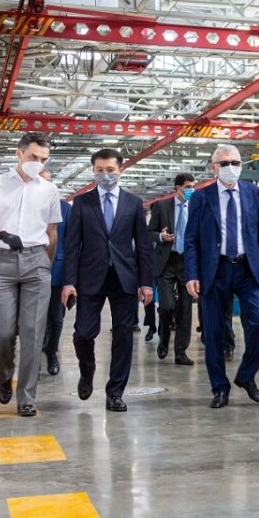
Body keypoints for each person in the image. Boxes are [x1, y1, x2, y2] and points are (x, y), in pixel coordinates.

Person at [0, 133, 61, 418]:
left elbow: (52, 232)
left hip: (36, 263)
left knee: (33, 334)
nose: (38, 163)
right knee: (3, 332)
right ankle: (5, 374)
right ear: (19, 154)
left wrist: (44, 264)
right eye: (33, 157)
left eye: (43, 159)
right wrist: (0, 234)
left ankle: (27, 397)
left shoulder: (50, 190)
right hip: (2, 263)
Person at [61, 149, 154, 412]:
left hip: (125, 278)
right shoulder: (82, 203)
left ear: (120, 170)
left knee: (123, 335)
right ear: (93, 171)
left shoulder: (133, 203)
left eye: (110, 170)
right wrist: (69, 282)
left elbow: (143, 245)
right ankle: (87, 370)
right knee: (83, 333)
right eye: (100, 170)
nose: (105, 175)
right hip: (90, 276)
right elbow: (72, 245)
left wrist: (146, 282)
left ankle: (115, 392)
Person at [184, 144, 259, 409]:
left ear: (242, 166)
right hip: (216, 270)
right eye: (224, 163)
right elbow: (191, 239)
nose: (231, 168)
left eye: (235, 163)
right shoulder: (201, 197)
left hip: (247, 269)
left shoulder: (252, 192)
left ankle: (246, 376)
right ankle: (219, 388)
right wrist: (192, 274)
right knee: (214, 332)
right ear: (214, 167)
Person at [149, 173, 196, 365]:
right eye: (187, 187)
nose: (191, 190)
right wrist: (161, 237)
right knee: (167, 306)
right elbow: (149, 232)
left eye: (193, 186)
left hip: (188, 263)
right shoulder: (162, 206)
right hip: (167, 261)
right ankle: (164, 336)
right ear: (178, 188)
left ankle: (180, 352)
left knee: (185, 309)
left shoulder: (196, 207)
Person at [39, 169, 71, 376]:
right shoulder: (24, 204)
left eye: (48, 181)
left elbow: (72, 242)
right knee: (33, 319)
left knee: (56, 317)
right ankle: (34, 359)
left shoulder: (65, 208)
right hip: (29, 270)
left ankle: (51, 352)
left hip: (57, 271)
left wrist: (71, 278)